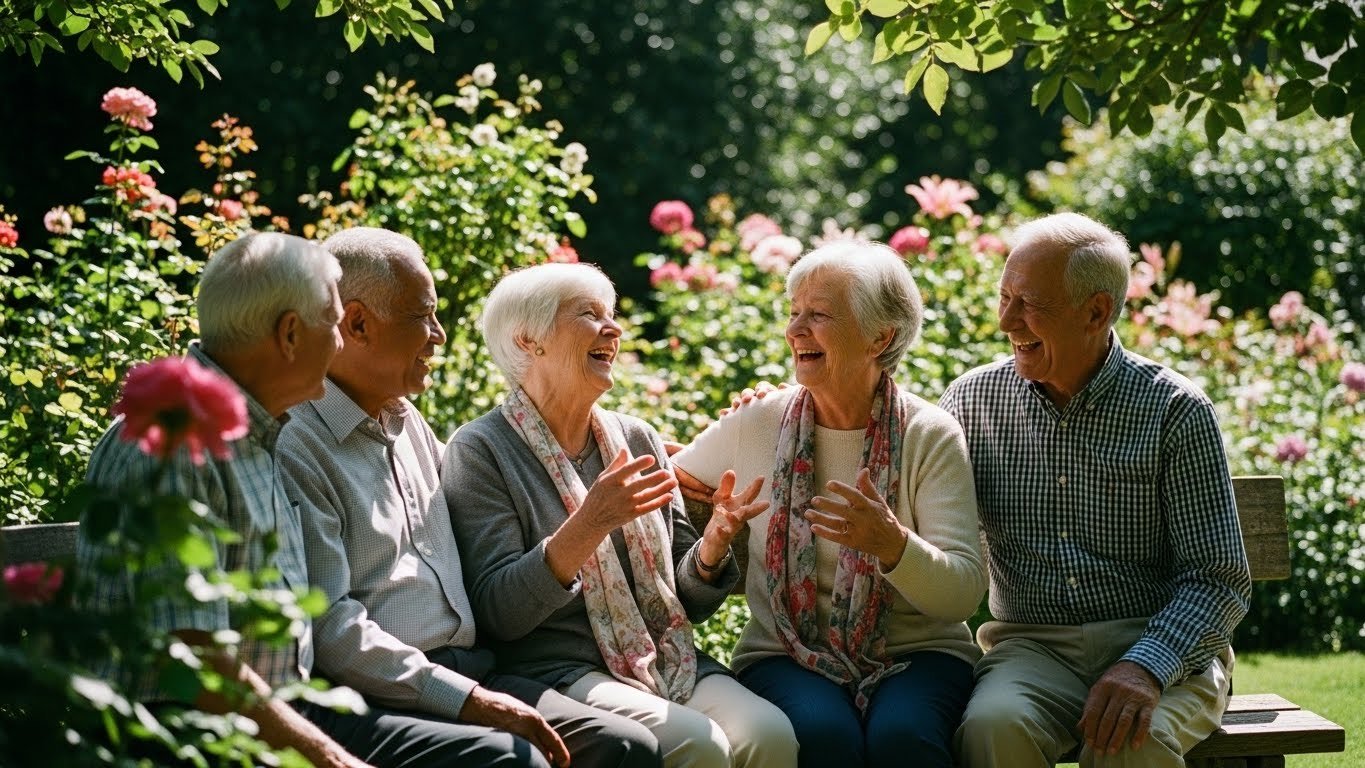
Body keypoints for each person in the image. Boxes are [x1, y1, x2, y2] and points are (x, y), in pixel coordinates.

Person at [276, 227, 662, 768]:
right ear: (358, 323)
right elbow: (332, 630)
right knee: (529, 757)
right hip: (389, 689)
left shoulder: (403, 419)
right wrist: (469, 699)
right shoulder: (298, 445)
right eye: (422, 316)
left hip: (474, 669)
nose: (438, 335)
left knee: (624, 746)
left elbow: (510, 477)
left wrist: (670, 467)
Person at [443, 262, 798, 768]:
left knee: (769, 735)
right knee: (699, 744)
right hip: (561, 671)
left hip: (666, 654)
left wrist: (713, 546)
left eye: (611, 314)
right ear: (528, 340)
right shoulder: (481, 450)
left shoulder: (635, 438)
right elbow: (498, 613)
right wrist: (589, 524)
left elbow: (687, 598)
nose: (614, 329)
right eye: (589, 315)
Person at [939, 212, 1252, 767]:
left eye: (1027, 303)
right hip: (1031, 649)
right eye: (1003, 296)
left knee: (1132, 745)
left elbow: (1217, 578)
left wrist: (1146, 665)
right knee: (993, 728)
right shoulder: (971, 402)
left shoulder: (1174, 410)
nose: (1004, 320)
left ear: (1096, 312)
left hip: (1160, 646)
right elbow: (907, 476)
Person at [670, 239, 986, 768]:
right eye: (794, 314)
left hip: (917, 656)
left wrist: (893, 545)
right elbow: (664, 473)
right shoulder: (759, 422)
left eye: (818, 316)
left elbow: (961, 593)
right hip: (783, 654)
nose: (795, 331)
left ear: (880, 336)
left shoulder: (929, 435)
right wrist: (709, 520)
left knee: (902, 739)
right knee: (823, 735)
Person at [77, 232, 372, 768]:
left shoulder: (253, 433)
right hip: (188, 744)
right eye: (332, 324)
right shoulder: (173, 445)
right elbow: (194, 659)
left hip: (270, 723)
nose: (339, 342)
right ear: (289, 334)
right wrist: (331, 759)